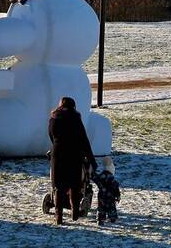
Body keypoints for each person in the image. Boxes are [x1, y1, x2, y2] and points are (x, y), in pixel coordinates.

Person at [48, 96, 97, 225]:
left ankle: (58, 216)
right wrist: (92, 160)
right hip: (74, 154)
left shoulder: (53, 118)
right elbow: (83, 139)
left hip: (58, 154)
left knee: (58, 186)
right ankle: (74, 212)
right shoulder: (75, 118)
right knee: (74, 185)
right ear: (73, 106)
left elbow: (51, 135)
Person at [92, 157, 121, 225]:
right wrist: (118, 195)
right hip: (110, 195)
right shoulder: (111, 177)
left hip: (102, 194)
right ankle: (113, 218)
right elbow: (115, 187)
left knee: (101, 207)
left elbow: (96, 179)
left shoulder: (101, 175)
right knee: (111, 207)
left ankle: (100, 219)